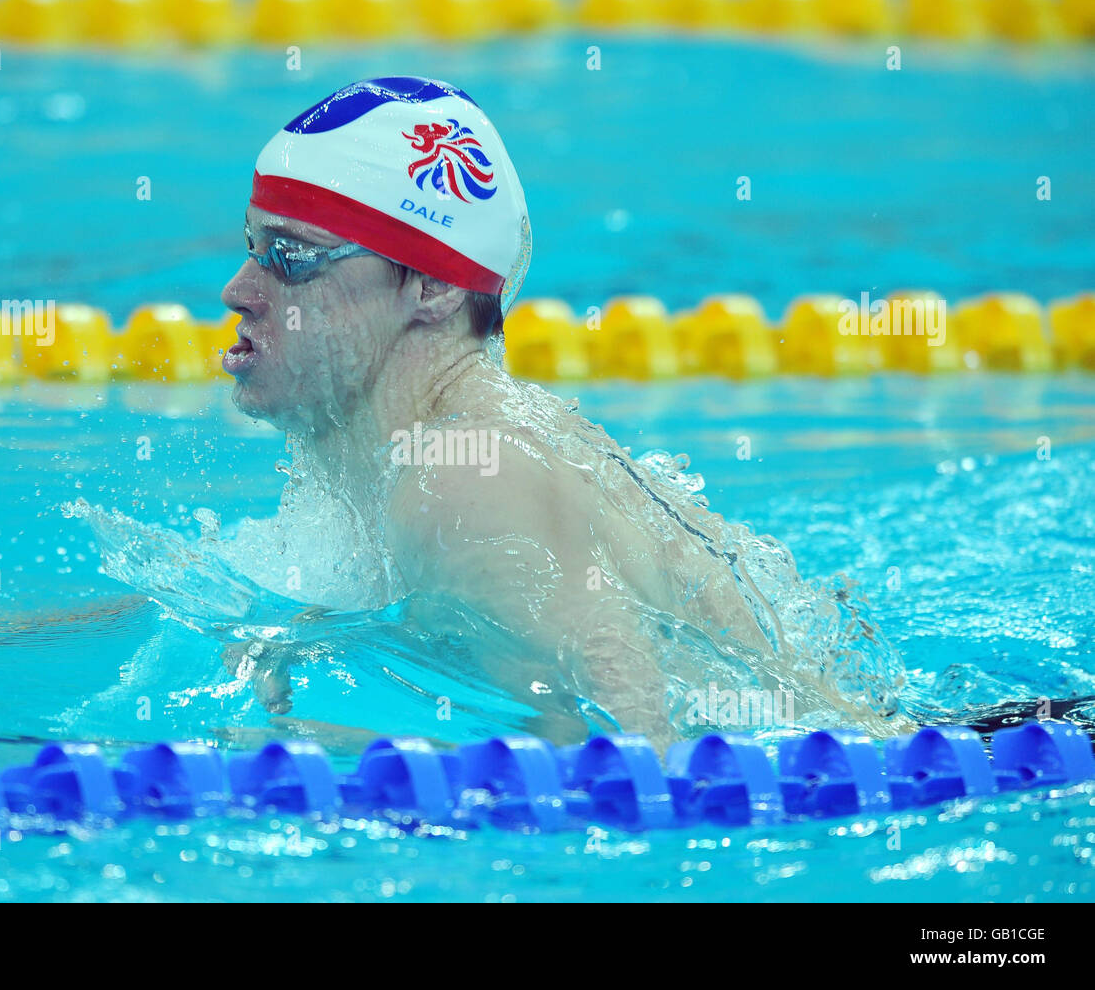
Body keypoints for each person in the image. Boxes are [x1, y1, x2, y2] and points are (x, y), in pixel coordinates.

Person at [220, 76, 897, 744]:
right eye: (252, 248)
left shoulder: (465, 478)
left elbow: (636, 758)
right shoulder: (425, 458)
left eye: (291, 257)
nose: (238, 290)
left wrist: (315, 752)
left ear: (429, 287)